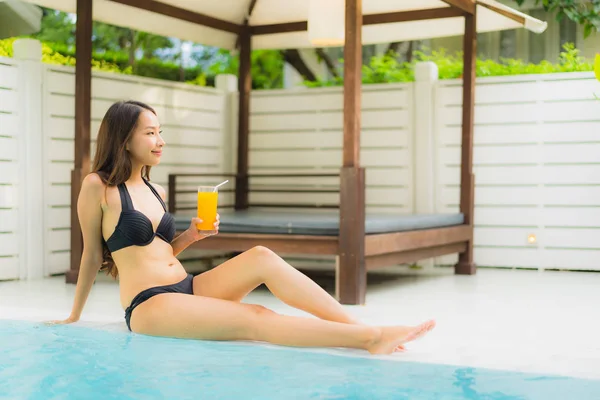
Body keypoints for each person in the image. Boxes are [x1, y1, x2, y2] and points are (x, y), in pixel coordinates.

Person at [48, 100, 435, 355]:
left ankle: (358, 326)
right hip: (149, 305)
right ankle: (371, 339)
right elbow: (92, 256)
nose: (160, 140)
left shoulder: (156, 187)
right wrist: (74, 315)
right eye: (150, 132)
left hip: (187, 286)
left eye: (160, 130)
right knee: (257, 319)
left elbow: (160, 252)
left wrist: (191, 236)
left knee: (262, 257)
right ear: (123, 137)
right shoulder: (98, 186)